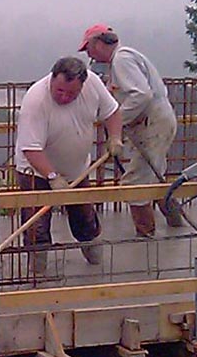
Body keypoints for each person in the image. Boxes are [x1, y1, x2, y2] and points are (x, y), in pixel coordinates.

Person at [14, 56, 124, 273]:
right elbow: (31, 148)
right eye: (59, 91)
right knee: (36, 226)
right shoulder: (36, 100)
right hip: (36, 171)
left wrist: (115, 137)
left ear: (82, 86)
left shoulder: (92, 84)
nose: (64, 97)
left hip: (78, 170)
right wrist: (53, 178)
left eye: (71, 93)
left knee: (85, 218)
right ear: (52, 80)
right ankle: (38, 273)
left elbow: (112, 112)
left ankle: (96, 264)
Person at [78, 23, 185, 237]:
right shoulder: (122, 60)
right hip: (154, 121)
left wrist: (118, 120)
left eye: (88, 48)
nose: (88, 54)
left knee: (135, 182)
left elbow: (141, 94)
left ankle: (145, 235)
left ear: (98, 43)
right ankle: (176, 223)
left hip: (152, 122)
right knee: (154, 176)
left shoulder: (122, 60)